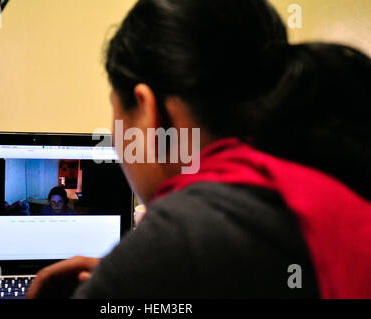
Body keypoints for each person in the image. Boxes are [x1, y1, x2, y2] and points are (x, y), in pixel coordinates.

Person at [27, 0, 371, 298]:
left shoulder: (178, 238)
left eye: (116, 113)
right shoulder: (315, 179)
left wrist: (133, 277)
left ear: (148, 111)